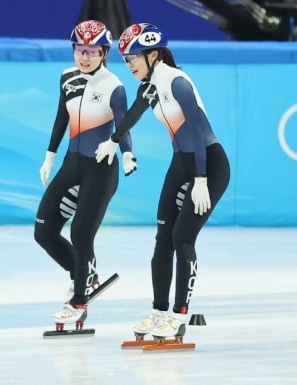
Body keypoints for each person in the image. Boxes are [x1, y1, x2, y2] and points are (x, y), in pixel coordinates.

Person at [95, 23, 230, 340]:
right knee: (162, 238)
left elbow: (197, 129)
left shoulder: (177, 81)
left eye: (133, 59)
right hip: (180, 162)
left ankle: (179, 315)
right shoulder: (149, 87)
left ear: (153, 55)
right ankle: (158, 311)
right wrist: (115, 141)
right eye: (126, 61)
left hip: (208, 162)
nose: (129, 67)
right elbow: (131, 116)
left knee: (183, 236)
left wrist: (200, 178)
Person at [34, 20, 136, 326]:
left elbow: (124, 124)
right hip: (71, 164)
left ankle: (79, 300)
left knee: (80, 234)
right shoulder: (66, 77)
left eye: (91, 50)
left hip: (100, 170)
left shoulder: (113, 86)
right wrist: (49, 157)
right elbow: (60, 118)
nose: (84, 56)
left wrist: (126, 152)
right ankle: (85, 274)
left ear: (104, 52)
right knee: (44, 231)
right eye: (79, 49)